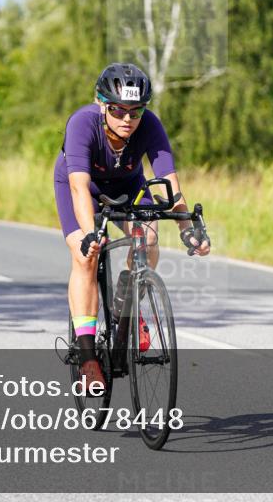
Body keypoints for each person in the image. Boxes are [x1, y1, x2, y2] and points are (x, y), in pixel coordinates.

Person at [54, 63, 210, 394]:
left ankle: (128, 299)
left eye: (135, 111)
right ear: (101, 104)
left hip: (128, 184)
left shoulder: (149, 125)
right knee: (86, 256)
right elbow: (79, 188)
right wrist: (90, 235)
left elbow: (168, 178)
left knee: (149, 237)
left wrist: (186, 226)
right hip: (83, 189)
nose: (128, 119)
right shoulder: (83, 124)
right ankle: (87, 358)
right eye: (118, 110)